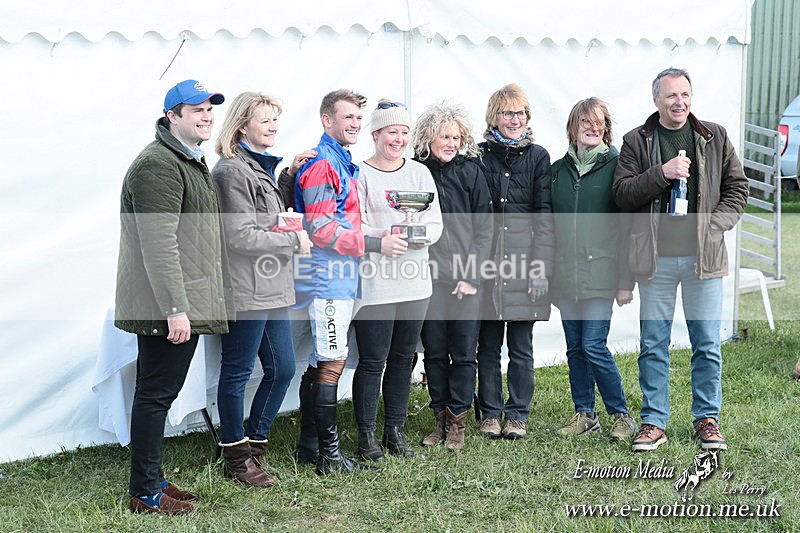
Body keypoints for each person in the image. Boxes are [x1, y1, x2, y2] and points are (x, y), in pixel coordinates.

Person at [613, 68, 749, 452]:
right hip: (654, 261)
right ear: (656, 99)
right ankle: (654, 421)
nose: (679, 102)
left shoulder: (714, 136)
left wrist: (713, 227)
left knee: (706, 343)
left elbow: (738, 188)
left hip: (702, 260)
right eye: (671, 95)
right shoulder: (636, 141)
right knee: (653, 344)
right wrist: (662, 173)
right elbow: (622, 194)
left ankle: (707, 418)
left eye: (685, 94)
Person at [115, 79, 233, 515]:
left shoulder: (185, 159)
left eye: (210, 108)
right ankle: (145, 492)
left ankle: (153, 479)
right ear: (172, 116)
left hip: (183, 298)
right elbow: (158, 243)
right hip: (165, 304)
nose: (207, 116)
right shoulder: (158, 165)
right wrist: (175, 309)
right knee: (155, 394)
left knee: (158, 392)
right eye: (196, 109)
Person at [211, 92, 314, 487]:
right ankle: (237, 459)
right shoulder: (231, 171)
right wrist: (293, 241)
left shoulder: (257, 167)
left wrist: (287, 177)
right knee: (237, 372)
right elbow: (240, 235)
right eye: (265, 120)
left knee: (283, 368)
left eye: (275, 119)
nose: (273, 126)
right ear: (242, 126)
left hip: (271, 286)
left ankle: (254, 445)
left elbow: (268, 215)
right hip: (247, 288)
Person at [284, 89, 377, 475]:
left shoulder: (339, 160)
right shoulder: (324, 164)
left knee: (321, 360)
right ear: (327, 120)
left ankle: (310, 447)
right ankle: (330, 457)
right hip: (327, 279)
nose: (355, 124)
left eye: (358, 117)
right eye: (347, 117)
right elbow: (320, 228)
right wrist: (372, 243)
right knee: (332, 363)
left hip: (338, 278)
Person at [351, 100, 443, 461]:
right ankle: (366, 437)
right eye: (392, 131)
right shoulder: (360, 173)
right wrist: (384, 236)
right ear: (376, 134)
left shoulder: (419, 173)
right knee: (373, 360)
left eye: (404, 132)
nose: (399, 139)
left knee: (404, 358)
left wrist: (420, 237)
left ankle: (394, 431)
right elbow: (354, 223)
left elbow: (434, 221)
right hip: (376, 280)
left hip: (415, 280)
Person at [550, 97, 638, 441]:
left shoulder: (618, 167)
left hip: (602, 275)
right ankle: (585, 415)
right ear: (573, 127)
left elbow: (628, 229)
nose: (593, 127)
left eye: (599, 122)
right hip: (565, 276)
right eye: (585, 121)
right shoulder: (557, 171)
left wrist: (626, 280)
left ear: (606, 128)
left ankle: (622, 416)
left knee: (593, 346)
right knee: (575, 348)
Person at [412, 101, 493, 451]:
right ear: (428, 137)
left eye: (456, 138)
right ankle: (439, 419)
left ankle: (458, 422)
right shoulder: (415, 172)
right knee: (434, 353)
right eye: (444, 136)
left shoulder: (471, 172)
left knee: (462, 352)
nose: (451, 143)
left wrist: (471, 276)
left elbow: (485, 229)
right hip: (428, 278)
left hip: (465, 280)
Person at [476, 83, 554, 440]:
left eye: (520, 113)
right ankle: (491, 413)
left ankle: (518, 414)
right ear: (495, 117)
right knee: (488, 346)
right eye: (508, 113)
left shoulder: (538, 157)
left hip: (525, 263)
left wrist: (541, 269)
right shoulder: (478, 156)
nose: (515, 119)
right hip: (489, 264)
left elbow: (545, 216)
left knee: (521, 347)